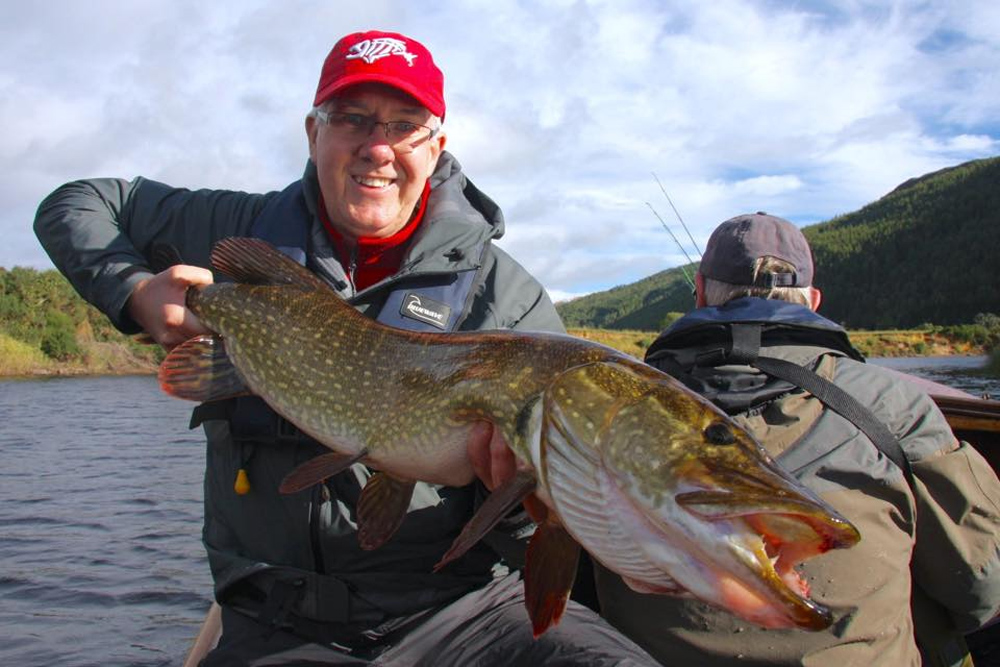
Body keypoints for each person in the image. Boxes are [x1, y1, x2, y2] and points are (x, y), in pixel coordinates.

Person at [34, 30, 655, 666]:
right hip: (276, 618)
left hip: (456, 612)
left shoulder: (510, 300)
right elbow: (76, 203)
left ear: (435, 147)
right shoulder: (241, 225)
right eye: (353, 119)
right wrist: (134, 292)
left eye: (404, 125)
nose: (377, 148)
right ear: (313, 133)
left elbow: (536, 541)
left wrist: (525, 498)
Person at [593, 212, 1000, 666]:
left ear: (702, 294)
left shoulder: (609, 407)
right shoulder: (892, 404)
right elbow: (981, 587)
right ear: (814, 301)